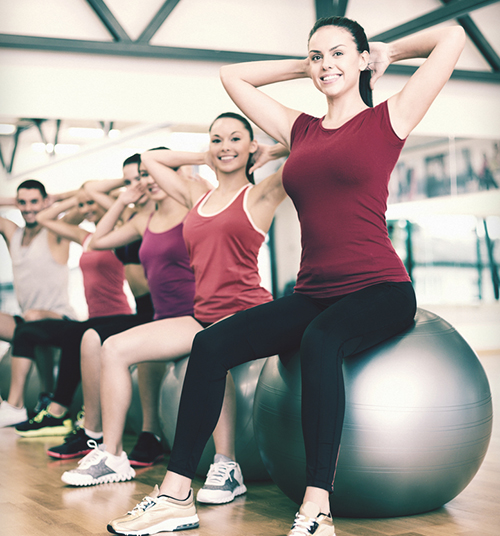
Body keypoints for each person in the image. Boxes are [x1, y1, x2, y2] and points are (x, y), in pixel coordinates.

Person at [106, 16, 466, 536]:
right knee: (210, 346)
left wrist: (384, 52)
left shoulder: (390, 119)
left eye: (338, 54)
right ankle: (176, 495)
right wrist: (308, 65)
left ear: (361, 59)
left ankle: (317, 505)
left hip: (380, 288)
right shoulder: (300, 129)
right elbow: (234, 77)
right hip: (314, 290)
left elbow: (451, 36)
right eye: (317, 56)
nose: (326, 65)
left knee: (320, 342)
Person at [61, 113, 287, 506]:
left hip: (247, 309)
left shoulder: (261, 194)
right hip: (199, 314)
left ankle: (227, 465)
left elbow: (309, 144)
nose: (225, 146)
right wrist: (208, 151)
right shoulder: (194, 199)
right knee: (113, 349)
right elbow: (150, 159)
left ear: (252, 146)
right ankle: (113, 455)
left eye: (235, 139)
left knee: (213, 350)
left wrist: (269, 150)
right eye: (217, 139)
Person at [49, 154, 196, 465]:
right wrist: (125, 193)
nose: (144, 181)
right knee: (91, 338)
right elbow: (96, 240)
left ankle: (145, 433)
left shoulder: (192, 206)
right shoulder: (140, 218)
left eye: (148, 174)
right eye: (138, 176)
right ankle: (98, 435)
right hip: (155, 310)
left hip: (189, 311)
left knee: (120, 345)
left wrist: (193, 164)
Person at [13, 183, 134, 437]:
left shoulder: (124, 234)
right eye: (83, 205)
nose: (86, 209)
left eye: (91, 203)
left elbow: (120, 210)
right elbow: (44, 217)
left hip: (118, 315)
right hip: (93, 319)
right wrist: (74, 197)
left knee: (75, 335)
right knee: (33, 331)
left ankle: (59, 412)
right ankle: (47, 406)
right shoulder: (87, 237)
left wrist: (95, 195)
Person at [0, 180, 78, 428]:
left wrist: (55, 198)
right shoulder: (14, 233)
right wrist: (14, 203)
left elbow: (85, 197)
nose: (28, 208)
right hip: (26, 322)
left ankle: (32, 400)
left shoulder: (56, 231)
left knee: (34, 318)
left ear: (45, 201)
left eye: (34, 201)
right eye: (22, 202)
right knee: (29, 320)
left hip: (61, 320)